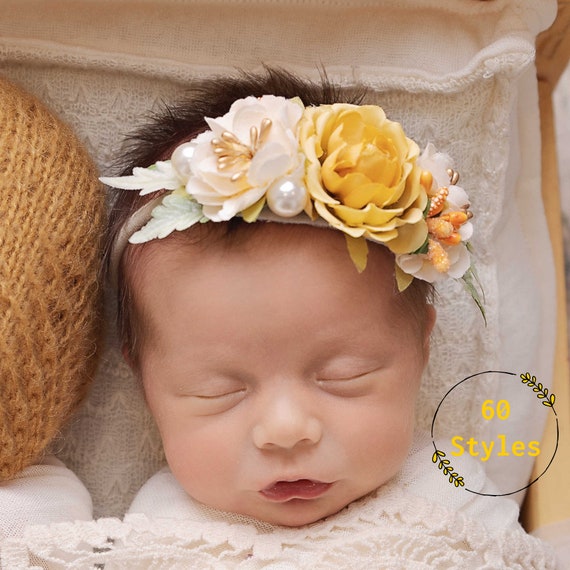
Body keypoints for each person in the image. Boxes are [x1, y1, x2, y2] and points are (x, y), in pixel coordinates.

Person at [101, 69, 554, 566]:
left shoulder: (449, 493)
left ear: (422, 348)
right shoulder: (159, 528)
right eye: (218, 392)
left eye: (345, 376)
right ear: (144, 380)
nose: (286, 428)